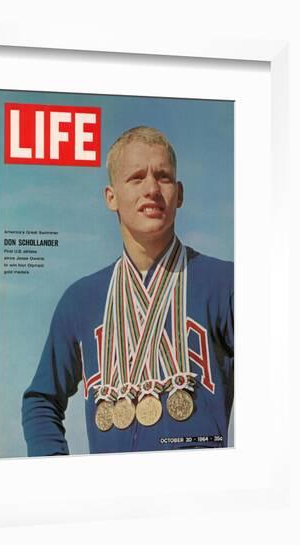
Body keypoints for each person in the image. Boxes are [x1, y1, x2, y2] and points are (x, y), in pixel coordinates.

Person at [22, 126, 234, 456]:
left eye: (162, 176)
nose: (151, 188)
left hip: (198, 496)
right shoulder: (80, 300)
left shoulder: (225, 283)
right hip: (111, 498)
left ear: (178, 193)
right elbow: (41, 400)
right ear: (111, 197)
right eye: (136, 177)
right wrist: (54, 474)